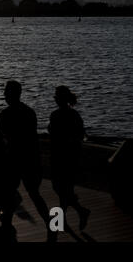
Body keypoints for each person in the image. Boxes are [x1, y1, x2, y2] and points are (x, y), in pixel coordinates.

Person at [0, 80, 52, 240]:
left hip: (13, 160)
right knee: (34, 194)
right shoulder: (29, 112)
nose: (4, 95)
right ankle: (50, 224)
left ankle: (6, 225)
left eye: (6, 92)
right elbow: (33, 140)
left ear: (12, 94)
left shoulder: (5, 114)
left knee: (9, 193)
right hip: (30, 159)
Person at [48, 86, 90, 231]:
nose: (54, 98)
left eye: (56, 96)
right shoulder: (74, 115)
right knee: (65, 189)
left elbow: (54, 135)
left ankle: (63, 220)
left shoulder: (56, 115)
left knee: (61, 188)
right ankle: (79, 212)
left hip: (62, 156)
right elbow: (80, 135)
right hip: (69, 156)